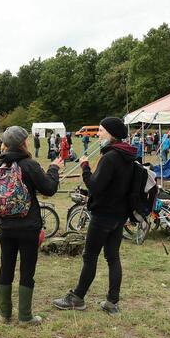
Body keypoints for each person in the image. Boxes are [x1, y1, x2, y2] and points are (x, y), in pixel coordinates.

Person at [53, 117, 137, 315]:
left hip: (104, 214)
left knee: (90, 256)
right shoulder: (128, 155)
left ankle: (77, 297)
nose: (98, 134)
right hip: (119, 215)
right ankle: (112, 302)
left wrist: (85, 167)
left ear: (111, 133)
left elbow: (95, 186)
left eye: (101, 130)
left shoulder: (111, 157)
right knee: (112, 257)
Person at [0, 126, 62, 325]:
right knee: (27, 270)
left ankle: (4, 314)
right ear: (23, 143)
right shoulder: (29, 164)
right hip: (28, 226)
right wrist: (54, 169)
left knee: (6, 267)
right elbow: (49, 188)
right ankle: (25, 316)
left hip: (5, 226)